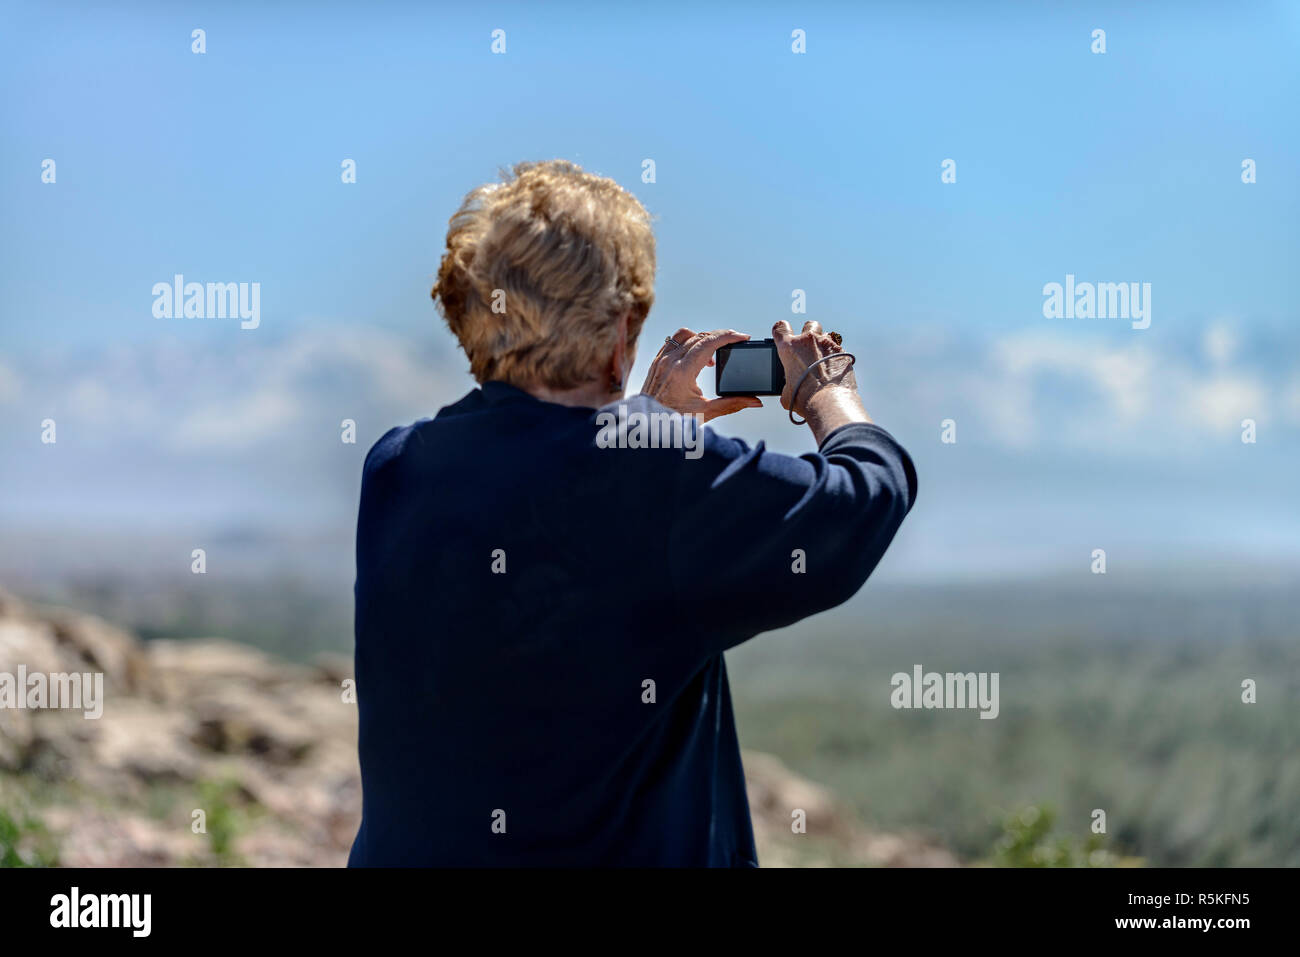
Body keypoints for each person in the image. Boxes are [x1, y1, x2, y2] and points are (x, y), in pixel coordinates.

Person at [348, 160, 917, 866]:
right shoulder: (655, 475)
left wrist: (643, 423)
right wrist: (825, 391)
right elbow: (866, 497)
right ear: (622, 334)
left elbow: (552, 499)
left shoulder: (399, 468)